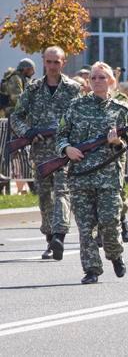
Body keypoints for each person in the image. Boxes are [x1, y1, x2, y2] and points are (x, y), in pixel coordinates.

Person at [55, 62, 128, 284]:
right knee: (86, 227)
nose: (97, 81)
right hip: (81, 176)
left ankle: (115, 254)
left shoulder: (121, 110)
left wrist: (117, 141)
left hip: (109, 177)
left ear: (110, 81)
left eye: (102, 77)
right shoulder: (75, 107)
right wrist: (66, 149)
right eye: (93, 78)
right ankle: (91, 269)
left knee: (109, 222)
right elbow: (61, 134)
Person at [9, 47, 81, 260]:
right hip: (40, 152)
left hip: (63, 151)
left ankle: (59, 235)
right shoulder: (32, 89)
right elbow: (16, 117)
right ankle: (50, 237)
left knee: (62, 192)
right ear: (43, 61)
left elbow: (81, 117)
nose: (52, 66)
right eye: (48, 62)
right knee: (44, 196)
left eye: (56, 62)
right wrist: (28, 132)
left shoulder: (73, 89)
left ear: (63, 63)